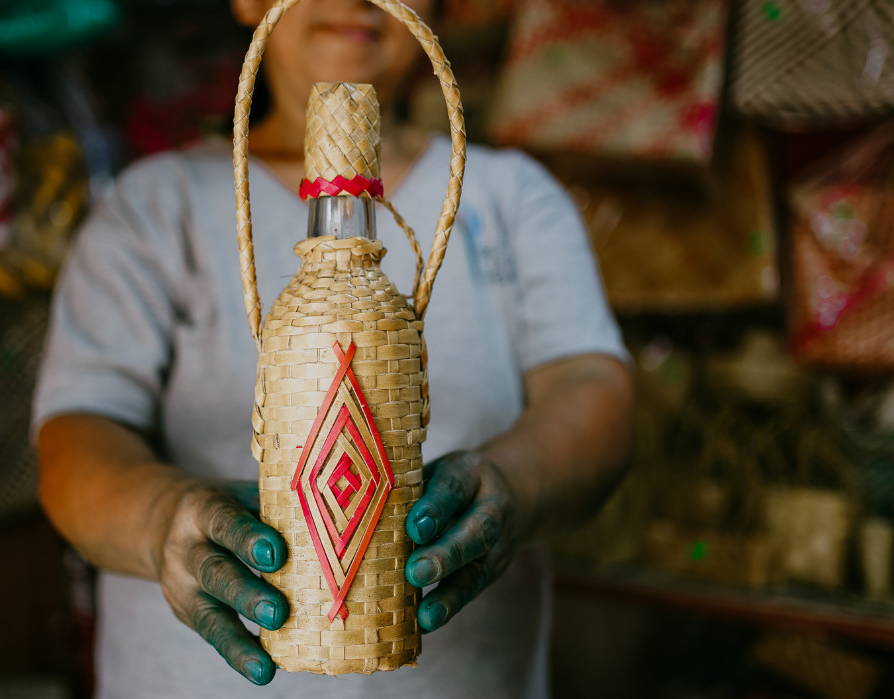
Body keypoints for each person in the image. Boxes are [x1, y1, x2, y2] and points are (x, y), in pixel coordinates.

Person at [33, 0, 634, 697]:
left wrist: (516, 486)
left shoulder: (510, 198)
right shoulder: (152, 208)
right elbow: (76, 429)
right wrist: (159, 520)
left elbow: (590, 386)